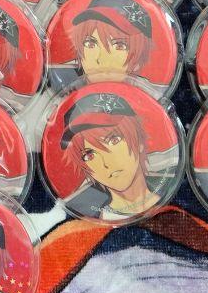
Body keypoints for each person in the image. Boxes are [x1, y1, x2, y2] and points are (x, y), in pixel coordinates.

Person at [59, 91, 162, 222]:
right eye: (89, 155)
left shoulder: (169, 190)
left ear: (139, 142)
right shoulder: (82, 219)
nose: (106, 163)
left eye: (113, 141)